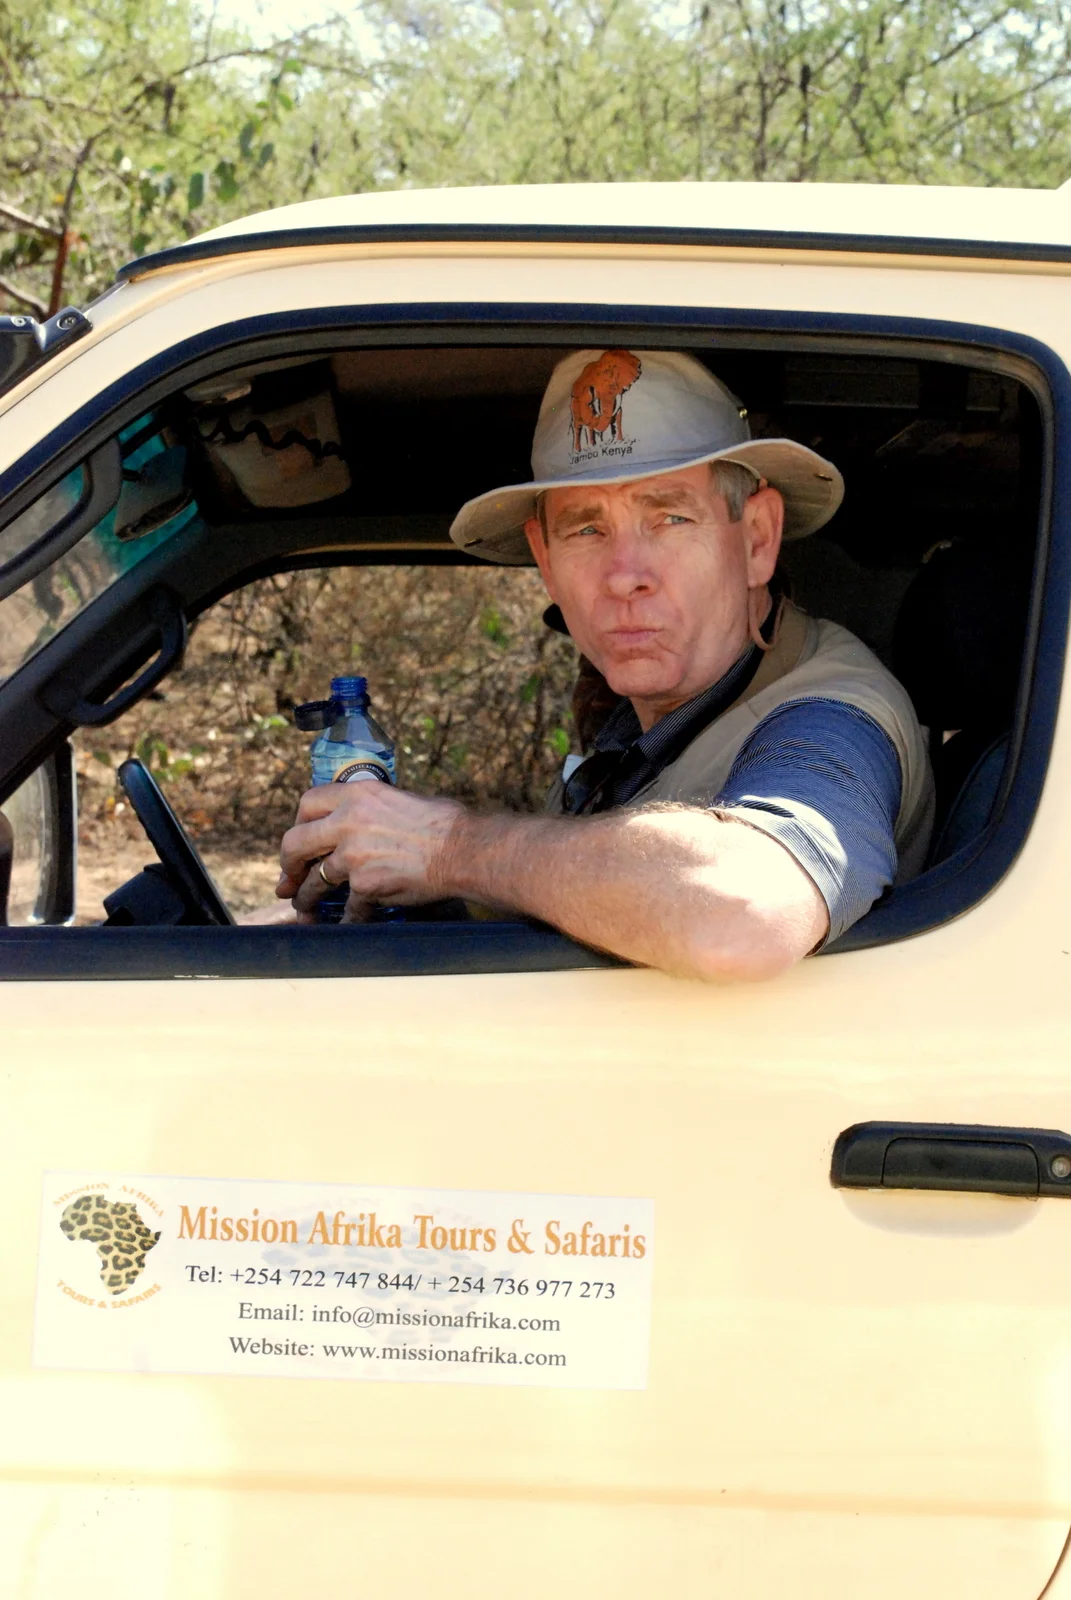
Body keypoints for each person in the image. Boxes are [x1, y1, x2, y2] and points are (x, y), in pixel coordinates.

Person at [274, 348, 934, 981]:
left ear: (756, 540)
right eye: (586, 530)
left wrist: (449, 846)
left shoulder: (831, 716)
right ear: (546, 563)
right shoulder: (649, 729)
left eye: (670, 518)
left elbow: (740, 918)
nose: (623, 577)